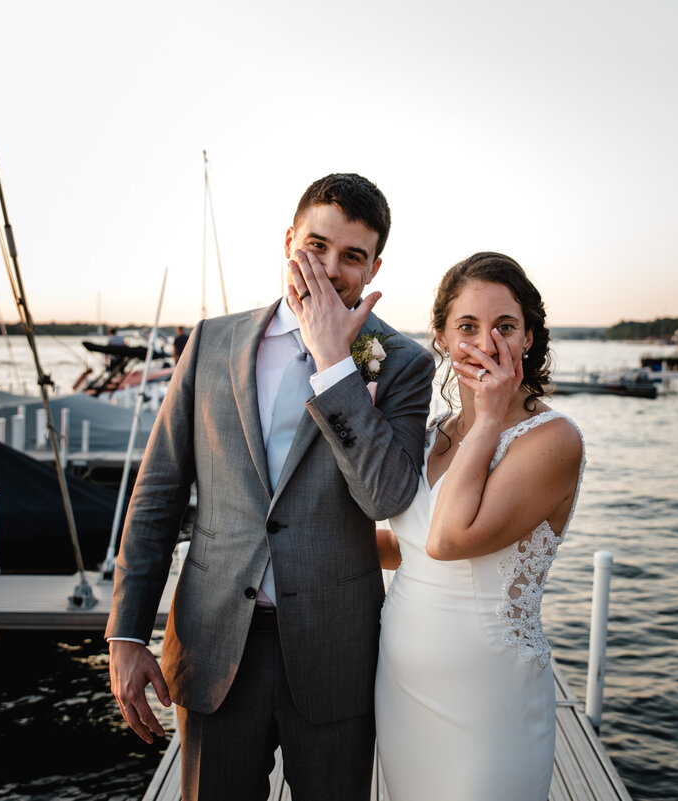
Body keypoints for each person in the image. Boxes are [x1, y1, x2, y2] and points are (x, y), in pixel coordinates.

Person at [105, 173, 435, 801]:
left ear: (374, 268)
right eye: (316, 246)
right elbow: (157, 494)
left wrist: (337, 365)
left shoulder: (402, 364)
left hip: (335, 651)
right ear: (288, 240)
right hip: (214, 643)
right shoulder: (212, 342)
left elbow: (385, 498)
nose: (329, 269)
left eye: (352, 257)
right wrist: (126, 634)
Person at [373, 252, 585, 801]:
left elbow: (448, 540)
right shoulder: (430, 432)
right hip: (402, 685)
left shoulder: (552, 440)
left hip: (489, 697)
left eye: (505, 327)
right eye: (467, 327)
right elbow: (411, 545)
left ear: (530, 337)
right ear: (441, 338)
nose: (487, 344)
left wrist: (489, 418)